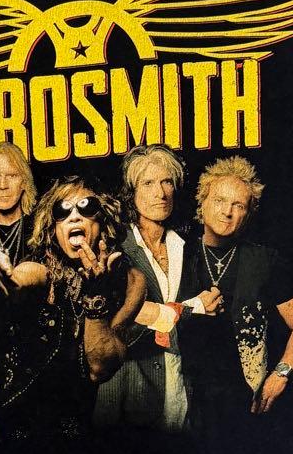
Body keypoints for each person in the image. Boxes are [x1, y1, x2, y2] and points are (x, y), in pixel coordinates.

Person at [0, 175, 146, 448]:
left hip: (75, 431)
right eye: (62, 211)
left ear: (103, 220)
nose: (74, 216)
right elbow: (16, 280)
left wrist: (95, 297)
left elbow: (99, 368)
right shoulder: (42, 269)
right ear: (53, 227)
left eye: (86, 207)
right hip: (16, 422)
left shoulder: (132, 282)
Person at [176, 156, 293, 433]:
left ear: (249, 213)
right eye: (219, 200)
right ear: (202, 202)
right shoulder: (175, 252)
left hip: (243, 402)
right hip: (180, 397)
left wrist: (282, 374)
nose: (227, 212)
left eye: (238, 205)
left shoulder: (264, 260)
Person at [93, 144, 222, 432]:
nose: (160, 193)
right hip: (131, 392)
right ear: (131, 192)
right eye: (148, 183)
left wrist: (203, 307)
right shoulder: (115, 248)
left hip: (182, 388)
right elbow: (121, 321)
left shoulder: (187, 247)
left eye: (166, 182)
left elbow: (210, 313)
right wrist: (195, 306)